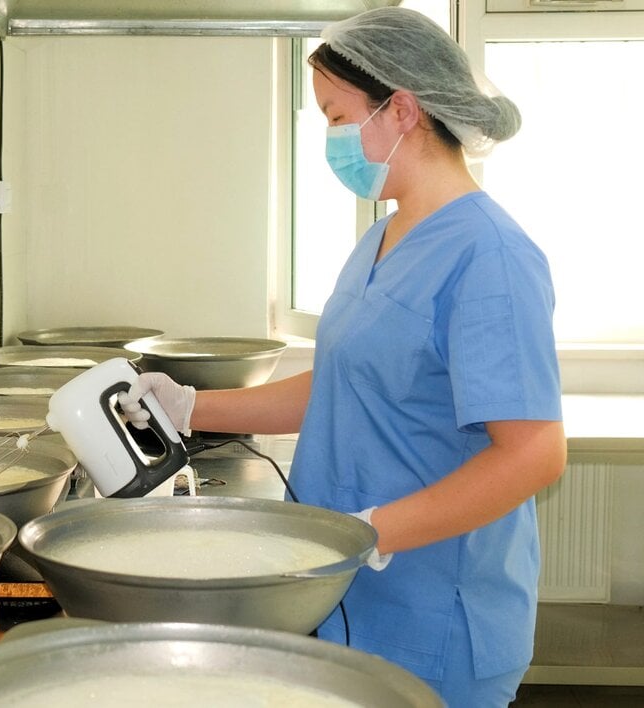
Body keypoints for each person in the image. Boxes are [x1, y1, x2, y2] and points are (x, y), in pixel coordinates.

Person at [119, 7, 566, 707]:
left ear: (403, 110)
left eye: (336, 117)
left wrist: (369, 530)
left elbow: (534, 455)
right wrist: (189, 405)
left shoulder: (491, 256)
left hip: (433, 614)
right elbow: (341, 386)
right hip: (352, 595)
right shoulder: (383, 238)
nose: (331, 138)